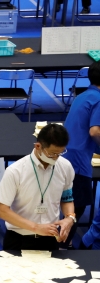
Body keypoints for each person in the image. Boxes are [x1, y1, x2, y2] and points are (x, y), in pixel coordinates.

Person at [0, 124, 75, 283]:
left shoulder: (65, 167)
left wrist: (69, 217)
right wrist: (35, 226)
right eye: (52, 153)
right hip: (18, 240)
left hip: (49, 239)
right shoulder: (16, 171)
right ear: (37, 146)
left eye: (60, 153)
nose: (56, 158)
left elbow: (67, 197)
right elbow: (2, 210)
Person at [63, 62, 100, 221]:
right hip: (78, 160)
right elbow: (95, 131)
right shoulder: (99, 99)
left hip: (65, 153)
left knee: (69, 202)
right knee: (76, 207)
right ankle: (64, 244)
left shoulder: (83, 95)